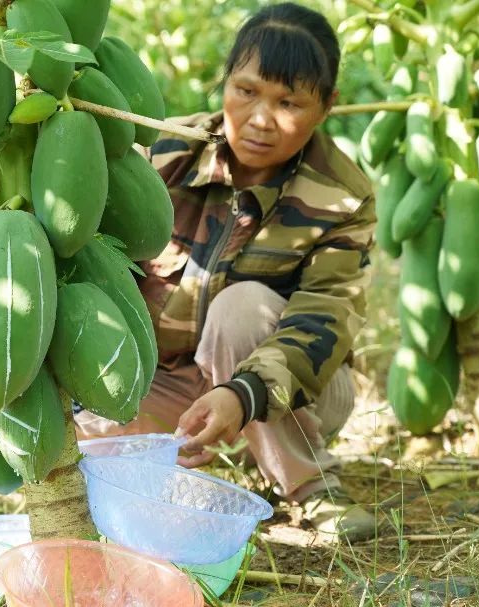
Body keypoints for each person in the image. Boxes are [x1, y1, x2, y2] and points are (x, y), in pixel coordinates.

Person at [74, 2, 378, 542]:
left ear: (326, 106)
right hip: (170, 380)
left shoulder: (341, 196)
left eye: (289, 103)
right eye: (246, 91)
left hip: (290, 388)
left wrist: (243, 395)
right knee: (90, 453)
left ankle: (310, 488)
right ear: (225, 83)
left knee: (241, 308)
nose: (261, 119)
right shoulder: (161, 151)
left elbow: (324, 319)